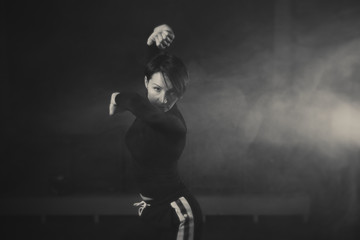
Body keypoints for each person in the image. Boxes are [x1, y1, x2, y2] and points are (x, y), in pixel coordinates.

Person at [109, 24, 203, 240]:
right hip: (150, 209)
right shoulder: (150, 106)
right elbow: (153, 72)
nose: (163, 100)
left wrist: (117, 98)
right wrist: (153, 43)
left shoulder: (173, 124)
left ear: (180, 94)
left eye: (172, 93)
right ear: (146, 83)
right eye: (156, 90)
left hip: (178, 212)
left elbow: (136, 102)